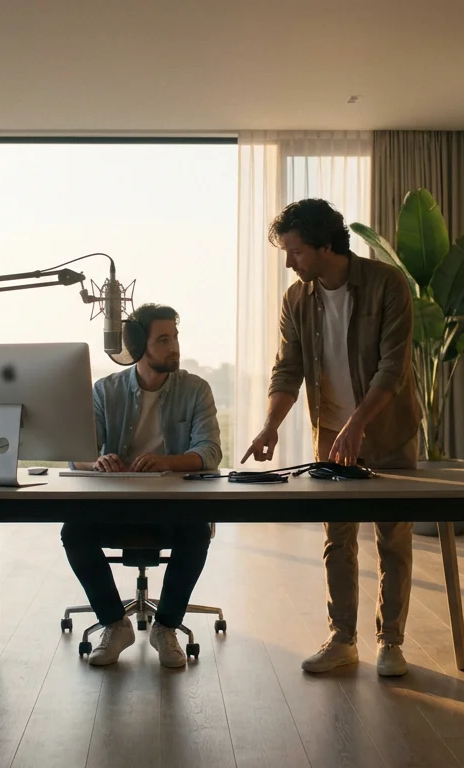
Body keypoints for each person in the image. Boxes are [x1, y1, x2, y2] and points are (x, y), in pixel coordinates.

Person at [241, 198, 421, 678]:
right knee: (337, 540)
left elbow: (393, 367)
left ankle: (392, 643)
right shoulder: (297, 299)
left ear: (325, 246)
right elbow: (288, 369)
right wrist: (271, 425)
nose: (288, 262)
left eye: (295, 252)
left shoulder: (387, 284)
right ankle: (343, 639)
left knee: (392, 540)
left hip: (387, 431)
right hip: (331, 438)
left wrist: (359, 423)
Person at [62, 303, 222, 668]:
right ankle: (114, 623)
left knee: (196, 532)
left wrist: (166, 462)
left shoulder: (196, 390)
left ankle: (165, 627)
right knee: (74, 532)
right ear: (139, 347)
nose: (174, 347)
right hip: (116, 505)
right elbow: (78, 454)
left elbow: (209, 451)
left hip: (172, 506)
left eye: (175, 338)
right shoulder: (105, 391)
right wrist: (96, 461)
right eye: (163, 339)